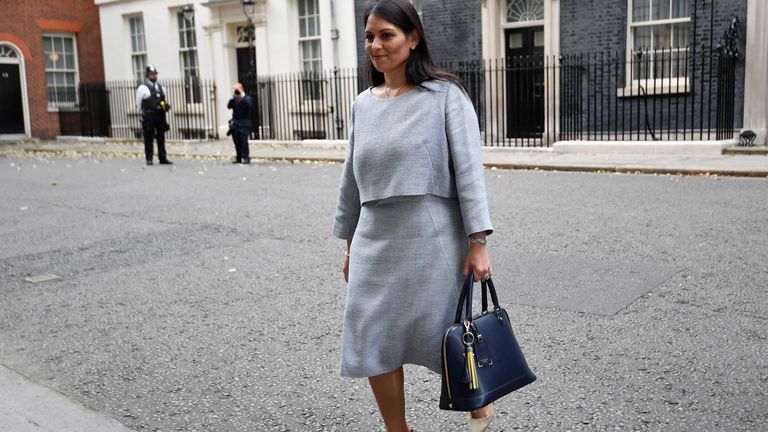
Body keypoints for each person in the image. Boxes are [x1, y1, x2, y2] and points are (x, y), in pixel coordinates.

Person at [331, 1, 495, 431]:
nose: (376, 44)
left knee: (447, 335)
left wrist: (478, 241)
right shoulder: (362, 104)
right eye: (370, 36)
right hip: (374, 239)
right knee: (372, 337)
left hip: (431, 236)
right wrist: (350, 245)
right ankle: (397, 429)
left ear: (413, 38)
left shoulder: (445, 96)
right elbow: (351, 179)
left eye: (387, 35)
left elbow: (469, 170)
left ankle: (480, 411)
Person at [135, 64, 172, 165]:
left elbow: (163, 101)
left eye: (155, 74)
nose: (154, 76)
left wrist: (166, 107)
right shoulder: (142, 88)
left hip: (160, 115)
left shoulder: (161, 87)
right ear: (147, 76)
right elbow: (138, 103)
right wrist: (143, 113)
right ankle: (149, 158)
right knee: (149, 137)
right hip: (149, 116)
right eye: (151, 74)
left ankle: (162, 157)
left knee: (161, 137)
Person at [226, 83, 253, 164]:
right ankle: (238, 157)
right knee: (236, 141)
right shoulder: (233, 99)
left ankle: (246, 158)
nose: (235, 91)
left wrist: (241, 97)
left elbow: (249, 105)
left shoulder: (247, 98)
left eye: (236, 89)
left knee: (244, 141)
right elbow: (229, 106)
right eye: (234, 89)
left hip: (244, 122)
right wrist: (233, 97)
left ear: (241, 89)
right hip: (236, 123)